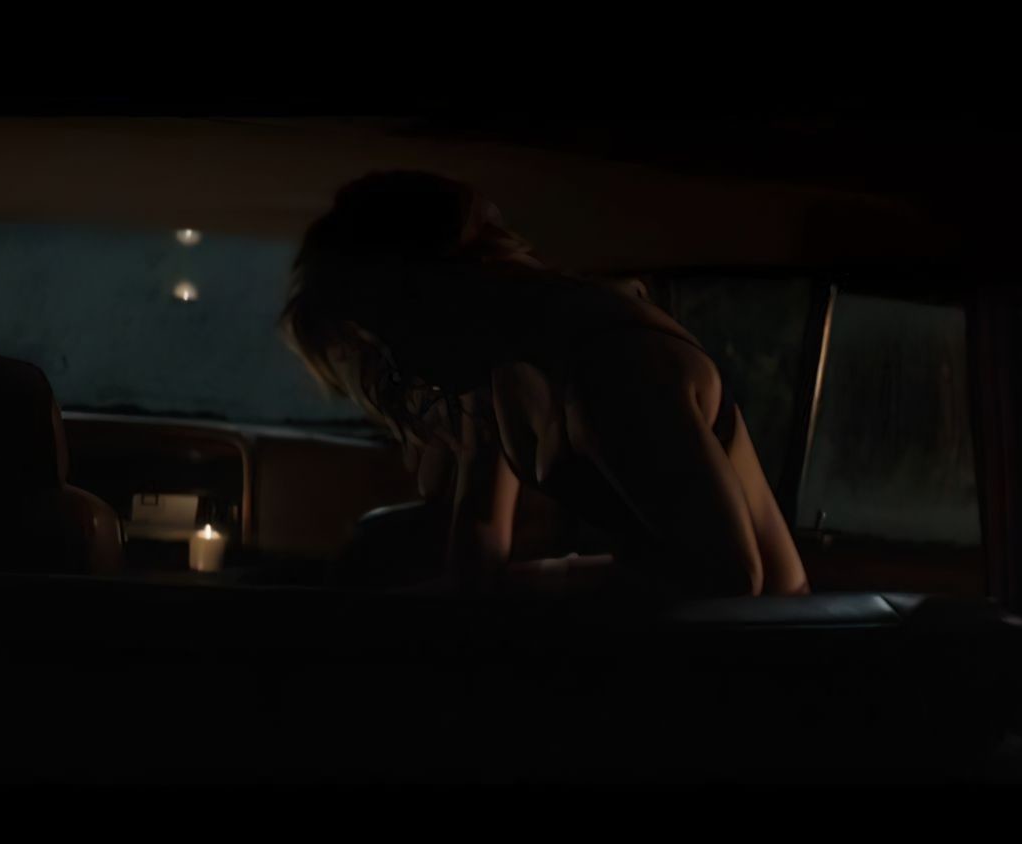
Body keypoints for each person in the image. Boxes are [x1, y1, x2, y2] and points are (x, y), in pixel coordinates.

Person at [281, 171, 809, 598]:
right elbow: (478, 553)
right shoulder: (499, 375)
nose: (402, 364)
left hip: (760, 644)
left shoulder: (610, 365)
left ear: (436, 291)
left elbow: (731, 576)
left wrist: (545, 584)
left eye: (394, 331)